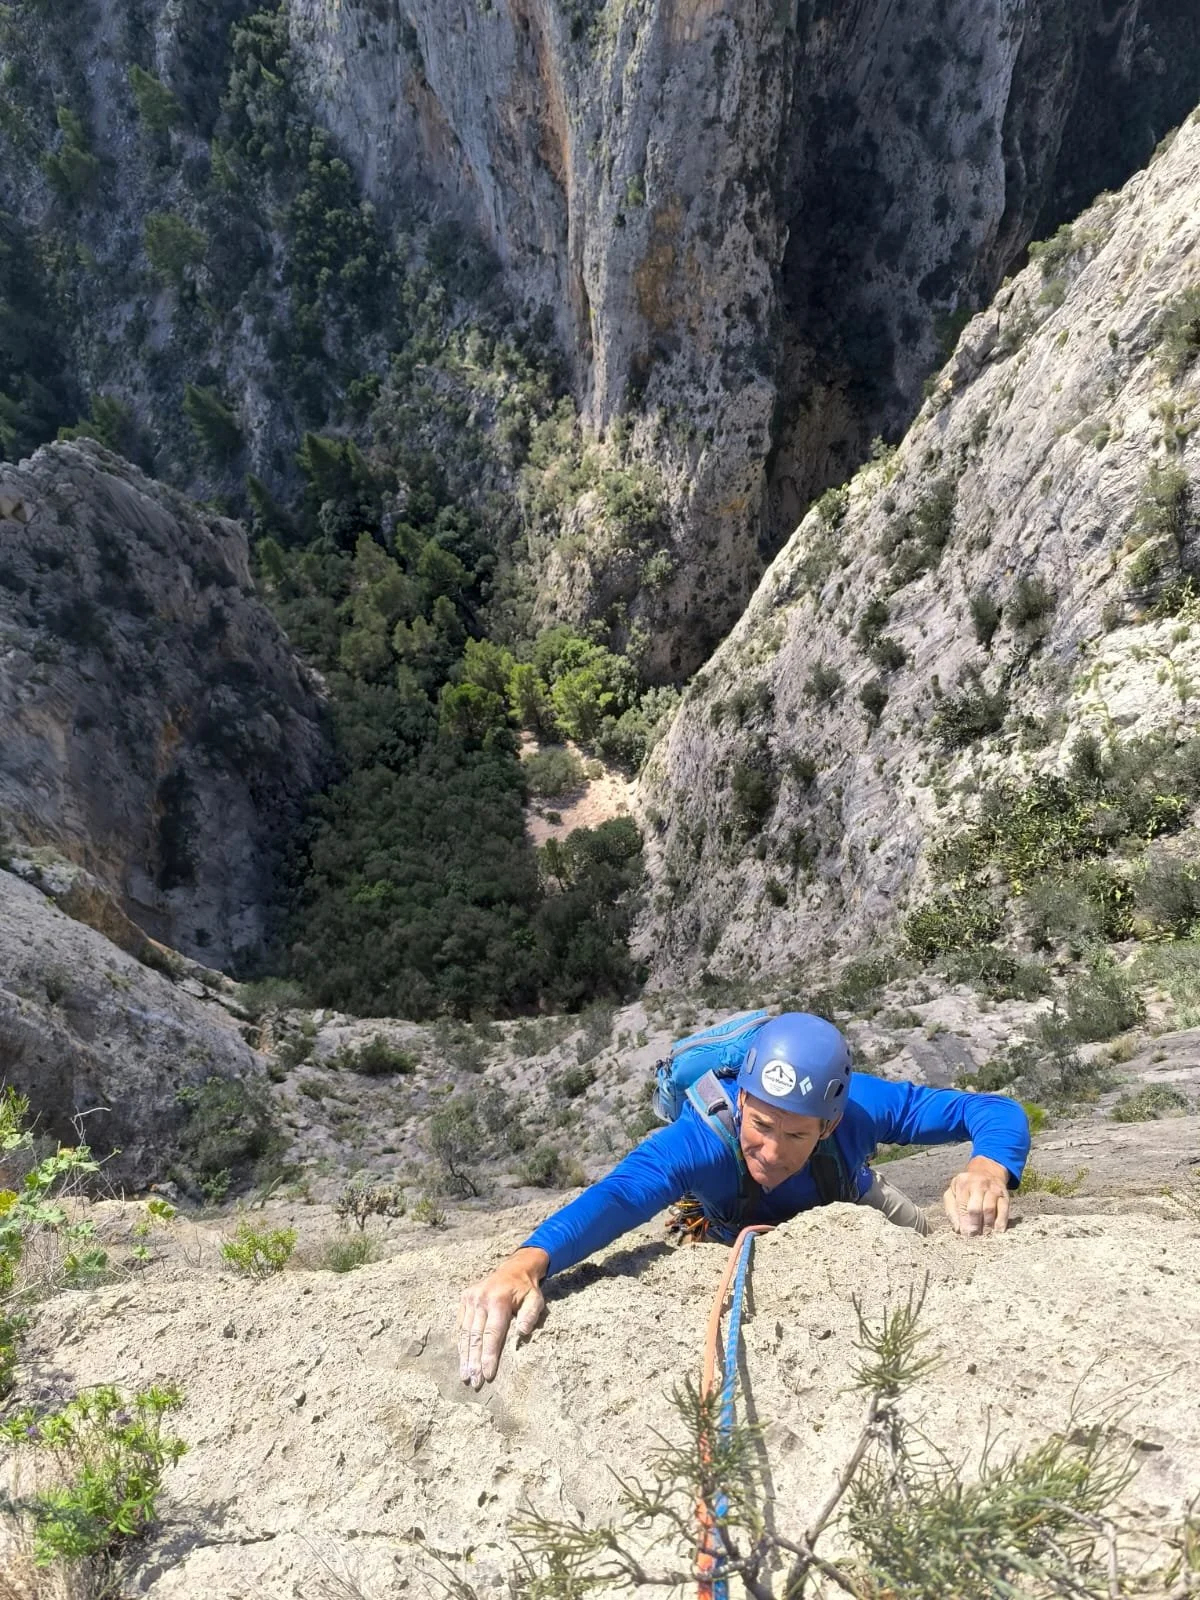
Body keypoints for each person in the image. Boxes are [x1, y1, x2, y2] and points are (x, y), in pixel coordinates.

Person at [458, 1012, 1030, 1389]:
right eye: (759, 1123)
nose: (773, 1150)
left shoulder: (862, 1109)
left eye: (797, 1134)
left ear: (829, 1124)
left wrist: (987, 1167)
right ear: (741, 1097)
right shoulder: (701, 1139)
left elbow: (993, 1111)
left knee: (935, 1243)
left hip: (852, 1195)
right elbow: (623, 1194)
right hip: (730, 1225)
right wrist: (528, 1261)